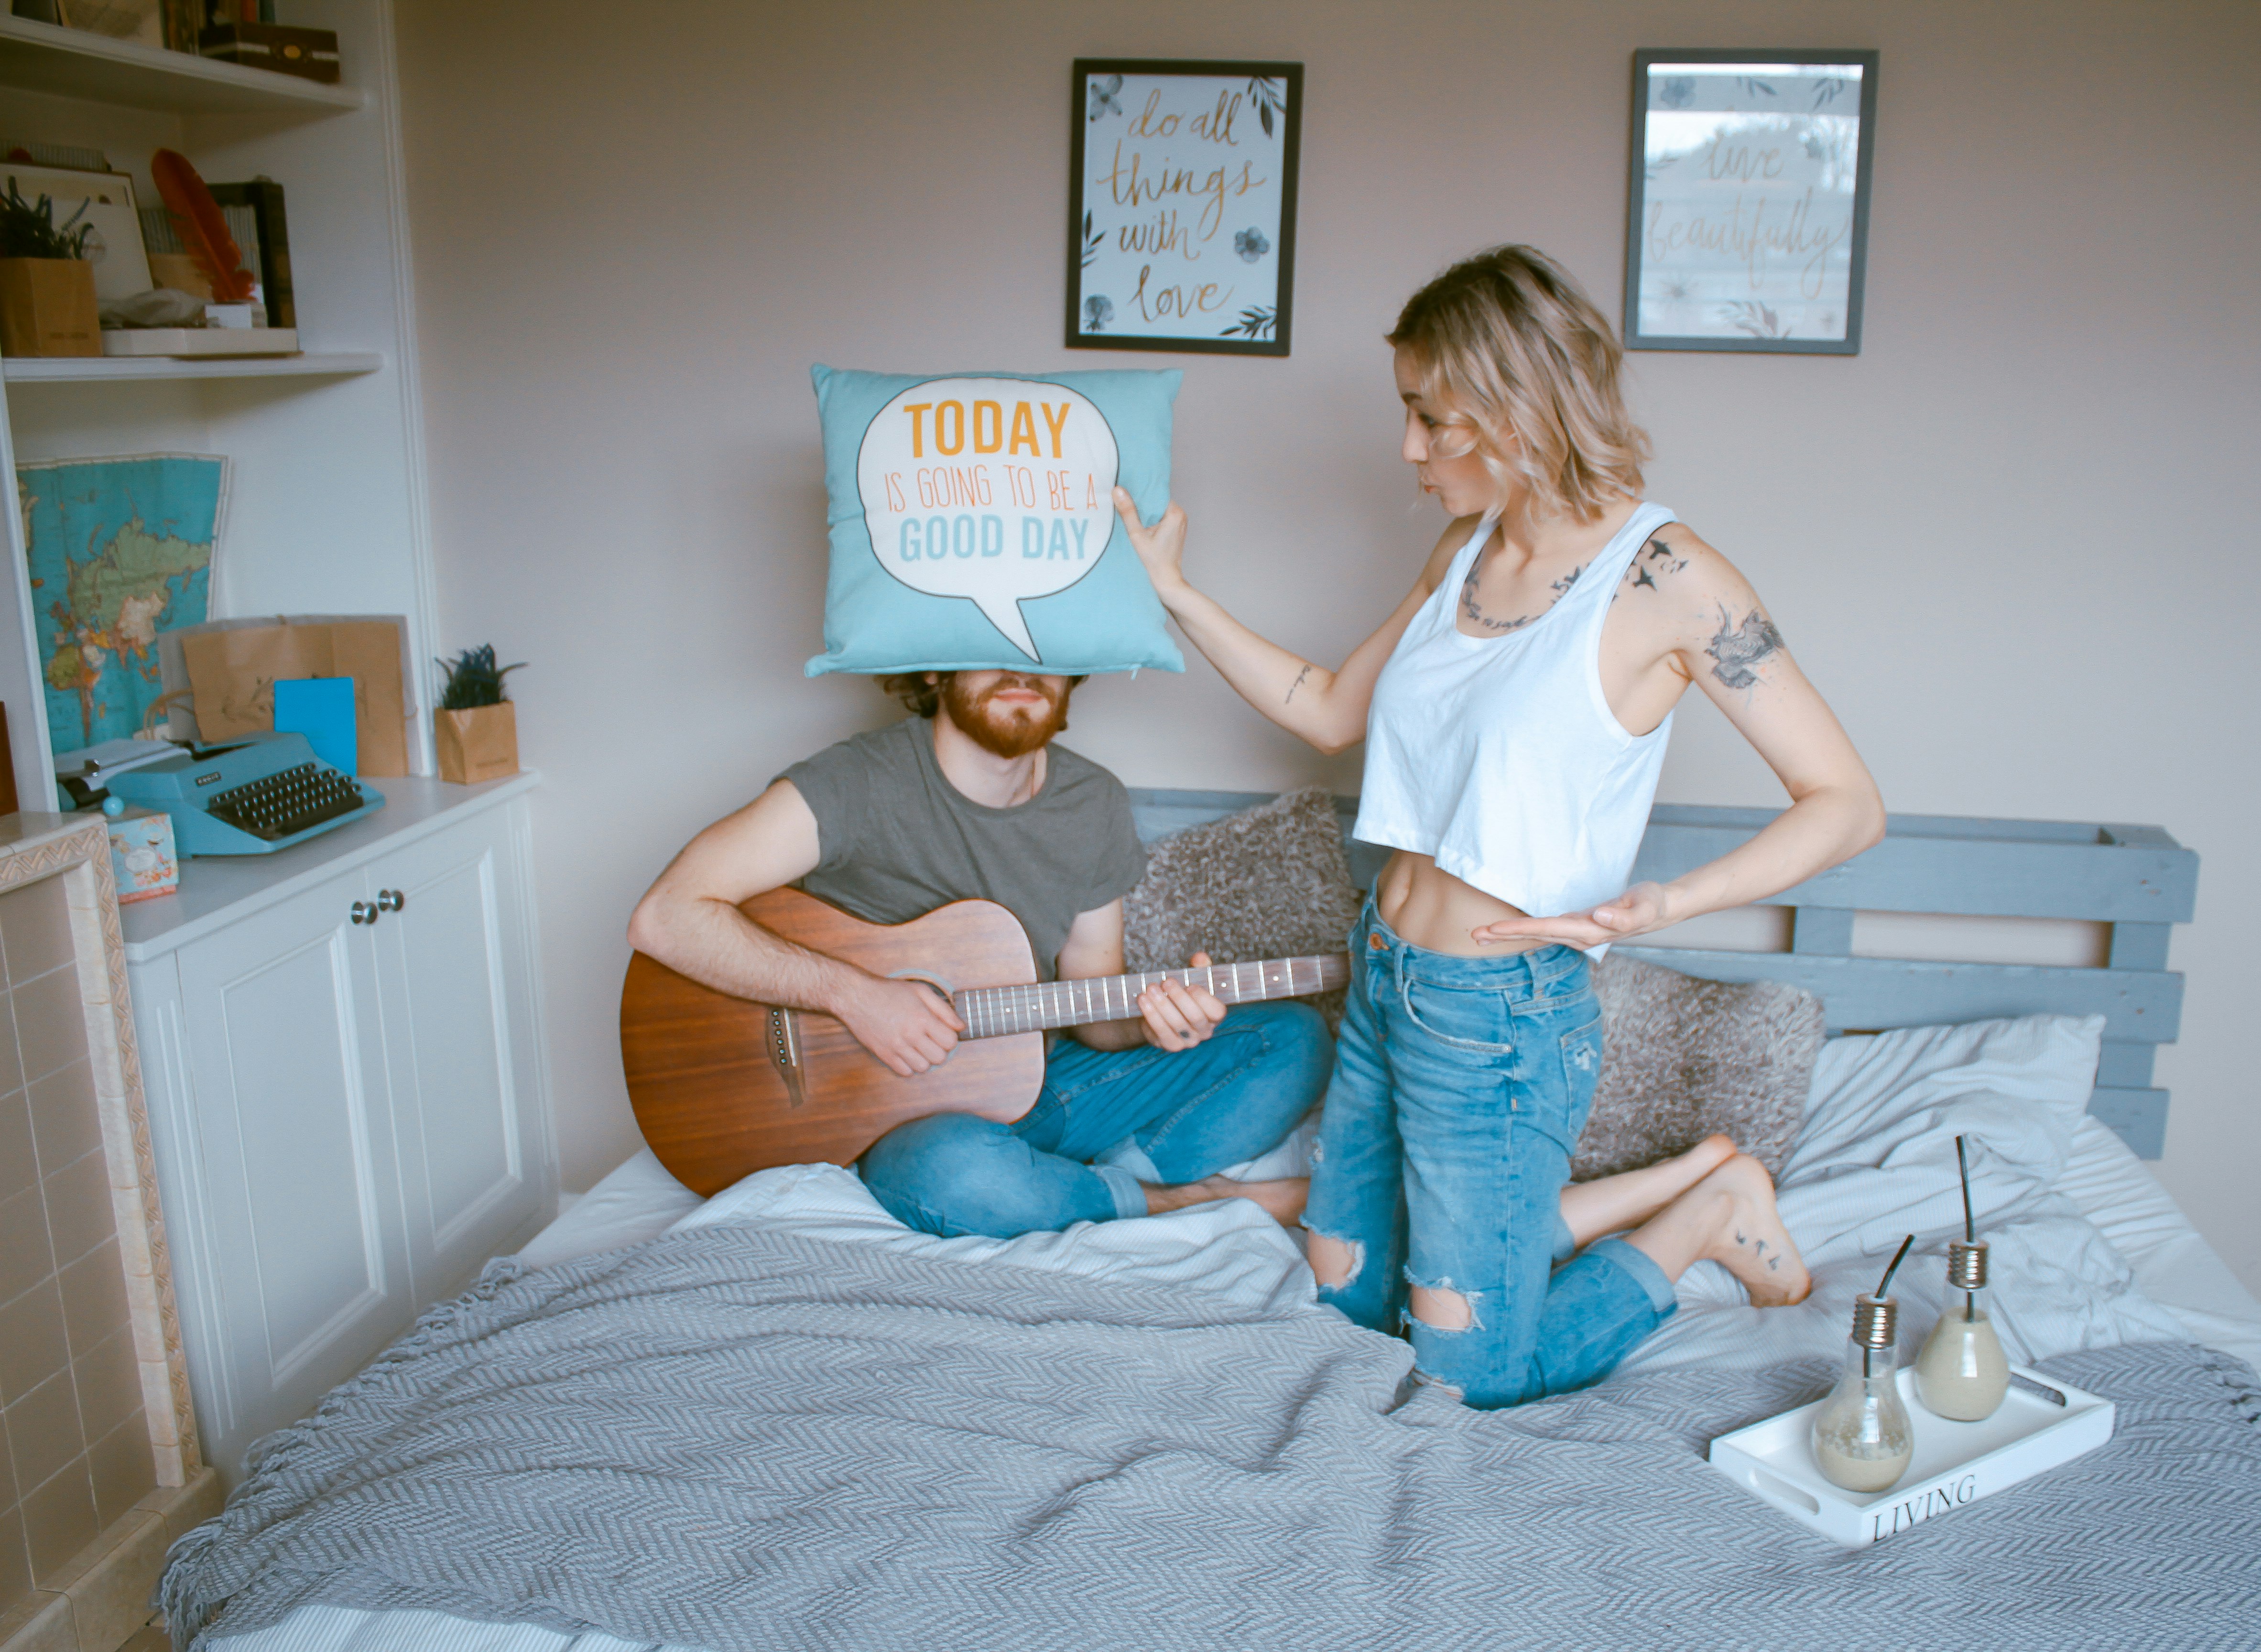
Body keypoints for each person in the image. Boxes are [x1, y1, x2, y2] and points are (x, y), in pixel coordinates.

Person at [1115, 245, 1887, 1409]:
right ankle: (1572, 1231)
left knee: (1472, 1377)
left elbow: (1848, 802)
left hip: (1501, 1018)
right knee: (1343, 1309)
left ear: (1517, 404)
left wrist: (1673, 902)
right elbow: (1328, 709)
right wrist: (1177, 596)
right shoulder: (1464, 552)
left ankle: (1706, 1213)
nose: (1411, 450)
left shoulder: (1669, 578)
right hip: (1385, 977)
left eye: (1432, 417)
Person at [625, 668, 1334, 1237]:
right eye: (988, 642)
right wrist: (854, 994)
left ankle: (1071, 1184)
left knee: (1294, 1036)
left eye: (1042, 648)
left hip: (1046, 1088)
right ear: (934, 667)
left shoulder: (1092, 803)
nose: (1020, 667)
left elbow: (1097, 1012)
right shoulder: (855, 783)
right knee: (954, 1175)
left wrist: (1154, 1022)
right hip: (906, 1124)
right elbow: (666, 917)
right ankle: (1181, 1201)